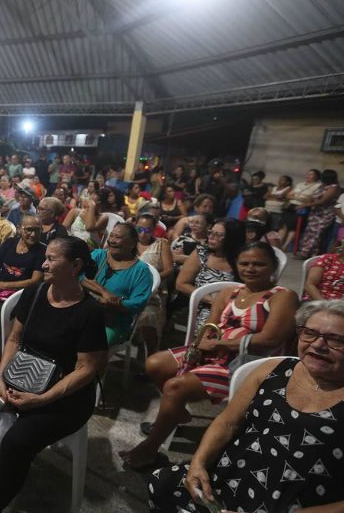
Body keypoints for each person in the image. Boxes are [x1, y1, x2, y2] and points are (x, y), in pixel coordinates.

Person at [0, 237, 108, 512]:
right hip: (24, 373)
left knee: (17, 440)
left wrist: (42, 400)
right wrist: (1, 376)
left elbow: (87, 369)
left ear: (75, 265)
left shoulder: (90, 312)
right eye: (46, 257)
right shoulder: (37, 293)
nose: (44, 264)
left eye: (52, 259)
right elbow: (14, 340)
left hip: (66, 394)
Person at [146, 300, 344, 512]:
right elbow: (227, 422)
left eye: (335, 340)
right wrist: (198, 463)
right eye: (310, 333)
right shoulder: (272, 369)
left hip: (290, 504)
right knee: (161, 483)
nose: (318, 345)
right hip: (229, 477)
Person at [125, 242, 298, 469]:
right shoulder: (230, 292)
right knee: (155, 363)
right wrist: (200, 345)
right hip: (215, 351)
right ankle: (177, 412)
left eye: (259, 264)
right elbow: (210, 323)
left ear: (273, 267)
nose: (250, 269)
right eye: (244, 263)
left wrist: (222, 344)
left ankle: (150, 448)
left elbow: (270, 339)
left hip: (246, 364)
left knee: (175, 387)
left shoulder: (282, 296)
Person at [0, 214, 46, 378]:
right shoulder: (10, 243)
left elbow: (35, 281)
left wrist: (2, 285)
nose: (33, 234)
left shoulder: (41, 251)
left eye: (37, 231)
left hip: (19, 295)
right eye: (29, 230)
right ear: (20, 229)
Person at [82, 222, 154, 346]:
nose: (112, 240)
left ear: (132, 244)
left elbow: (138, 303)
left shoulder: (141, 270)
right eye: (111, 236)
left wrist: (113, 303)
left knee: (92, 344)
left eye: (118, 237)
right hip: (85, 313)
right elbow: (78, 276)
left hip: (114, 322)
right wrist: (104, 292)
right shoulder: (98, 255)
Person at [176, 219, 246, 329]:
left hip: (235, 305)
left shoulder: (242, 259)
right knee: (210, 325)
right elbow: (181, 284)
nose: (211, 237)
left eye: (218, 235)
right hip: (205, 306)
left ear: (232, 238)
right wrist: (213, 301)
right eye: (211, 232)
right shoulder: (201, 254)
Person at [136, 214, 173, 353]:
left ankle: (151, 353)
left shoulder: (161, 244)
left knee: (148, 315)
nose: (143, 233)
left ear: (154, 230)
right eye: (139, 229)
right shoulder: (129, 242)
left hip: (152, 290)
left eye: (147, 230)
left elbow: (169, 269)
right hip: (128, 288)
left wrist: (152, 279)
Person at [296, 169, 341, 259]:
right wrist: (307, 202)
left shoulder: (334, 187)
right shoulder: (322, 186)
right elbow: (313, 196)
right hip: (315, 213)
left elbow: (323, 201)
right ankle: (305, 252)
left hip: (325, 214)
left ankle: (311, 254)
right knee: (309, 232)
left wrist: (306, 205)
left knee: (317, 234)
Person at [280, 168, 321, 250]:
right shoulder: (300, 184)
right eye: (307, 174)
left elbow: (311, 199)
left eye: (311, 174)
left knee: (293, 227)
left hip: (302, 207)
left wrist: (296, 197)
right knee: (284, 225)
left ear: (316, 177)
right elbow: (288, 195)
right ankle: (279, 244)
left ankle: (285, 246)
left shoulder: (318, 186)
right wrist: (300, 198)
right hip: (290, 206)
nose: (308, 176)